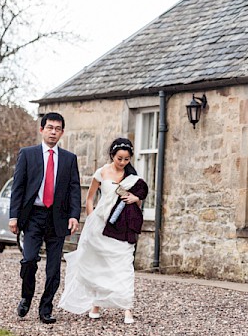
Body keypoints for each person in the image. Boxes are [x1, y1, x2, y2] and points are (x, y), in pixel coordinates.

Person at [59, 138, 147, 324]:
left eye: (126, 159)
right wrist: (91, 220)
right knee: (98, 264)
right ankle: (96, 304)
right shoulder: (101, 172)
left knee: (123, 265)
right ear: (112, 156)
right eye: (119, 158)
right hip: (100, 225)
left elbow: (138, 201)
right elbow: (90, 199)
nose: (123, 162)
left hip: (121, 228)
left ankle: (127, 307)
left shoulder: (133, 179)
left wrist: (134, 198)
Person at [9, 112, 82, 324]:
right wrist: (14, 216)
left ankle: (46, 308)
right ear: (42, 130)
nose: (53, 132)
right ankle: (26, 296)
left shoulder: (69, 159)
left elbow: (74, 189)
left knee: (53, 268)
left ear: (62, 132)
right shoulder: (28, 154)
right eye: (49, 127)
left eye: (57, 129)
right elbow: (18, 188)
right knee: (29, 260)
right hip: (33, 216)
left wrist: (74, 216)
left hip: (57, 218)